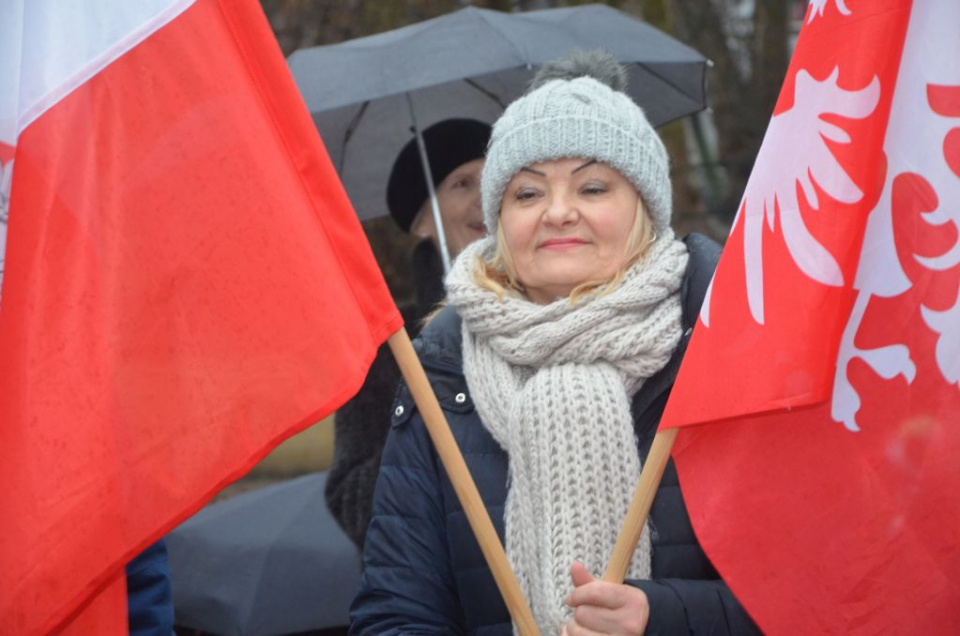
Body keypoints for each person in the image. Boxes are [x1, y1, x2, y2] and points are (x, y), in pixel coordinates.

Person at [350, 51, 761, 634]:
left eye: (593, 187)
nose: (559, 212)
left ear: (644, 207)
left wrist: (659, 616)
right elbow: (394, 612)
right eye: (527, 194)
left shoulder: (728, 350)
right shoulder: (437, 376)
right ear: (498, 220)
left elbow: (816, 593)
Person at [325, 118, 491, 549]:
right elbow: (354, 506)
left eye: (497, 178)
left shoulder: (556, 312)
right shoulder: (385, 347)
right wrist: (435, 414)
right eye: (462, 184)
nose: (486, 197)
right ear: (422, 221)